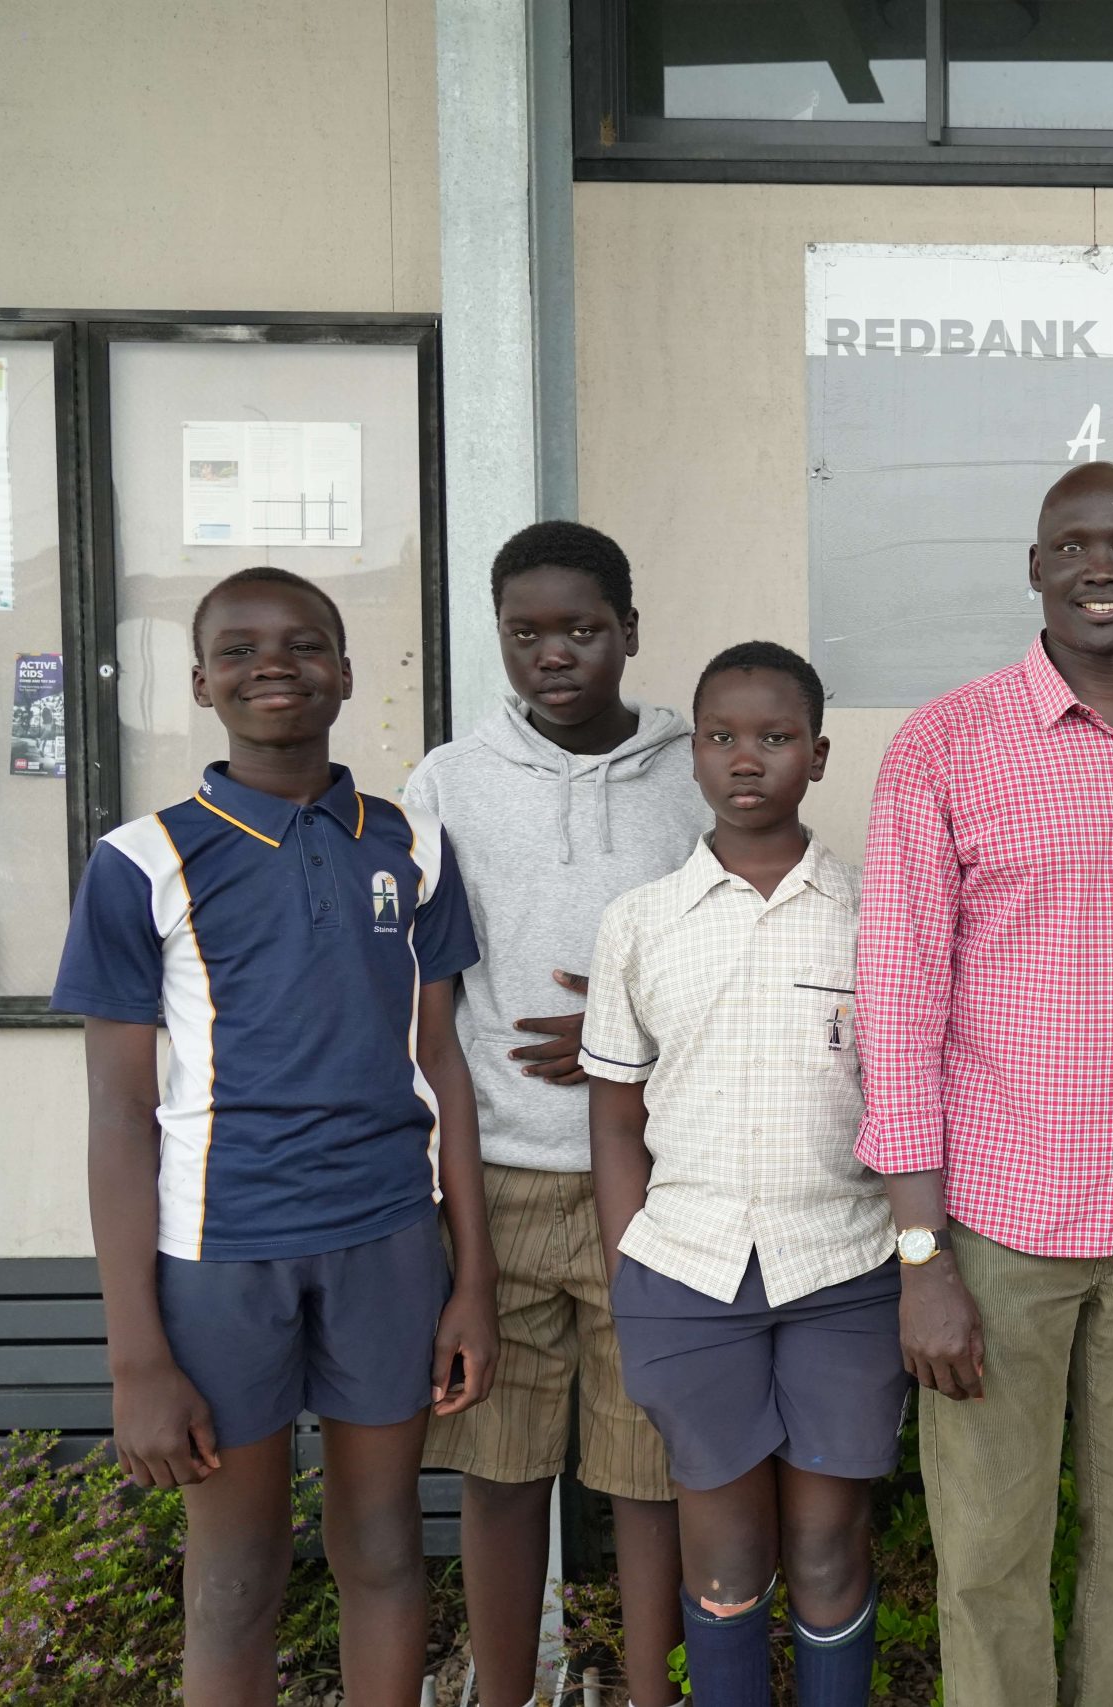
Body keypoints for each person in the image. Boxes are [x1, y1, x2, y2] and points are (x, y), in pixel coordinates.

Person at [855, 463, 1113, 1707]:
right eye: (1074, 546)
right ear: (1034, 568)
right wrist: (920, 1260)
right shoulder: (944, 745)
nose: (1102, 568)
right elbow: (898, 1001)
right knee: (988, 1554)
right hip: (998, 1233)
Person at [53, 565, 497, 1703]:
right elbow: (116, 1113)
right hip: (221, 1256)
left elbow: (443, 1067)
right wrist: (136, 1356)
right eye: (240, 650)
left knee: (386, 1549)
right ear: (201, 683)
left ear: (346, 674)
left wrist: (472, 1283)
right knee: (238, 1576)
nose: (273, 668)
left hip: (389, 1244)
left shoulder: (411, 845)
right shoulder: (140, 862)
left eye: (302, 645)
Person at [411, 522, 708, 1707]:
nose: (556, 655)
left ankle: (644, 1688)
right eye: (526, 633)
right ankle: (505, 1687)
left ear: (629, 634)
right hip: (501, 1181)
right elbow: (431, 1003)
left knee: (648, 1469)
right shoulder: (448, 780)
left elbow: (728, 964)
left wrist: (625, 1049)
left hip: (651, 1179)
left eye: (583, 630)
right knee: (498, 1464)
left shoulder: (696, 770)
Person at [582, 642, 904, 1707]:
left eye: (773, 738)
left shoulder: (872, 919)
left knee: (826, 1545)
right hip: (686, 1274)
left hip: (843, 1269)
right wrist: (631, 1259)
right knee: (722, 1558)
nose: (745, 759)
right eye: (721, 737)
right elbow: (617, 1114)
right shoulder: (641, 923)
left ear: (816, 754)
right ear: (693, 755)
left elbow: (905, 1102)